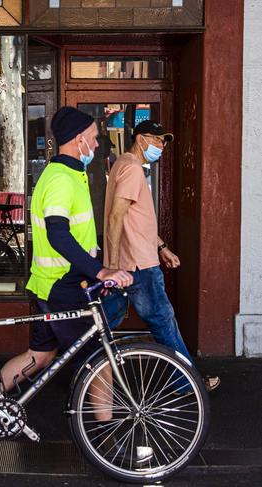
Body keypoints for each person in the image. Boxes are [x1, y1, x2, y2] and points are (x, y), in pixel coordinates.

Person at [0, 107, 133, 395]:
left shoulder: (72, 173)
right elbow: (58, 233)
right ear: (78, 139)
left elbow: (79, 236)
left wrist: (95, 273)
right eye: (94, 138)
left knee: (40, 355)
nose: (97, 145)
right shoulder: (60, 178)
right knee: (99, 362)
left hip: (55, 282)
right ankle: (103, 437)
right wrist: (101, 270)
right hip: (62, 285)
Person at [103, 119, 220, 391]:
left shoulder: (122, 164)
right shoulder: (132, 169)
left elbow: (135, 220)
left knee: (106, 322)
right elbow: (115, 218)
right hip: (137, 265)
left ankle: (86, 371)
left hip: (130, 260)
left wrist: (162, 247)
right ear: (141, 138)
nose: (161, 146)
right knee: (163, 320)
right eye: (157, 140)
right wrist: (111, 265)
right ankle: (187, 381)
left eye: (164, 141)